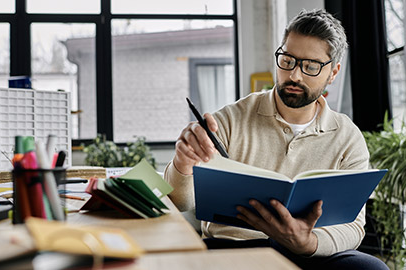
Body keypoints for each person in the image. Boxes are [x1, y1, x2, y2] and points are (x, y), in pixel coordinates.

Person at [164, 9, 389, 270]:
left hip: (310, 253)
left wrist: (307, 242)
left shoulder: (347, 137)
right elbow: (180, 202)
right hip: (235, 249)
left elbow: (353, 226)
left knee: (371, 269)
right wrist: (182, 163)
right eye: (287, 60)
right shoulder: (229, 120)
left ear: (333, 72)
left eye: (311, 66)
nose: (294, 75)